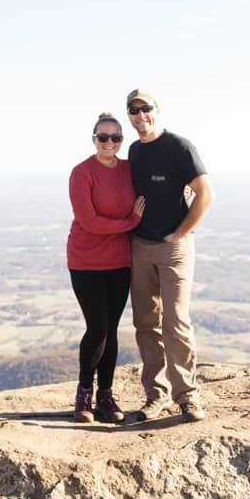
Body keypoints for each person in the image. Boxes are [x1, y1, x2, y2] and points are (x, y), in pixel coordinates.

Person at [125, 88, 214, 423]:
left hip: (174, 247)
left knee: (175, 321)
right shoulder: (134, 150)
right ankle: (156, 395)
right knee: (146, 322)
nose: (140, 116)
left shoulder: (179, 146)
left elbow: (206, 193)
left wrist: (183, 231)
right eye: (133, 111)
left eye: (145, 108)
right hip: (140, 245)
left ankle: (188, 397)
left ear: (157, 109)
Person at [67, 112, 146, 423]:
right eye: (103, 137)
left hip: (119, 261)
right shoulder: (82, 173)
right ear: (94, 140)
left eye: (116, 137)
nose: (109, 142)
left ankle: (106, 396)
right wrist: (130, 223)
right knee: (97, 327)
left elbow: (157, 182)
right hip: (85, 260)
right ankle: (84, 394)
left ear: (122, 141)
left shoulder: (129, 170)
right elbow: (89, 222)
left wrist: (186, 192)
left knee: (111, 330)